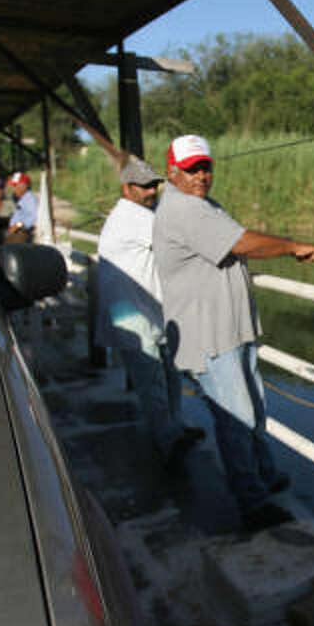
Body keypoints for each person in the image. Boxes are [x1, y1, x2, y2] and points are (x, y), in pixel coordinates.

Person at [153, 134, 314, 531]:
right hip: (210, 336)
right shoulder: (182, 210)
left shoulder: (204, 205)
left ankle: (263, 473)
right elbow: (243, 242)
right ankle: (252, 503)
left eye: (205, 166)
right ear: (171, 172)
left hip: (233, 330)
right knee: (237, 418)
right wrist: (292, 246)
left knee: (255, 409)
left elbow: (235, 241)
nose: (201, 175)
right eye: (191, 168)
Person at [94, 155, 204, 469]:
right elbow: (179, 237)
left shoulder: (143, 212)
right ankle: (168, 443)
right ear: (126, 188)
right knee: (151, 380)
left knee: (169, 374)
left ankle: (176, 427)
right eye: (143, 186)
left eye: (154, 185)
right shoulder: (134, 217)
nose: (151, 191)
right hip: (130, 312)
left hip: (150, 309)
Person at [5, 171, 37, 242]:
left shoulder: (30, 199)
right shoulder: (22, 198)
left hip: (22, 233)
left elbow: (33, 217)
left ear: (24, 186)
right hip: (15, 231)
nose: (14, 189)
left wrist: (17, 225)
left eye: (16, 186)